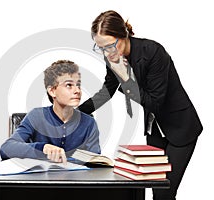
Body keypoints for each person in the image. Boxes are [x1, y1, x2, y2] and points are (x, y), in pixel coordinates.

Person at [78, 10, 203, 200]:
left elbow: (155, 102)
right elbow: (107, 90)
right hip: (155, 128)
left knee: (165, 193)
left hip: (180, 127)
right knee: (154, 189)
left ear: (124, 35)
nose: (107, 53)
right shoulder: (111, 57)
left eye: (111, 46)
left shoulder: (153, 52)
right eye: (101, 48)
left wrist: (127, 79)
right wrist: (77, 112)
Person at [0, 60, 101, 164]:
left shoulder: (89, 123)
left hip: (75, 179)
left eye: (78, 85)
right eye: (69, 85)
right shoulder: (36, 116)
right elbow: (6, 149)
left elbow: (95, 163)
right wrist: (42, 148)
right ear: (52, 91)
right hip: (42, 179)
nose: (77, 91)